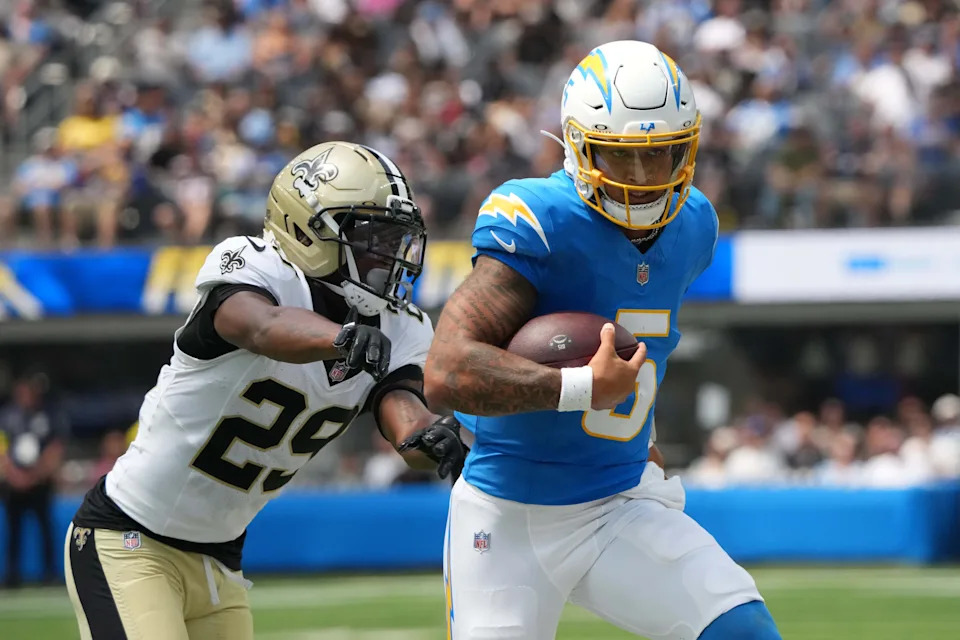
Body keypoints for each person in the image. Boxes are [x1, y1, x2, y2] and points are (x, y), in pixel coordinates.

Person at [414, 41, 781, 640]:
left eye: (658, 156)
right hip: (508, 513)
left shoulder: (694, 226)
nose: (640, 179)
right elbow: (445, 370)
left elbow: (639, 337)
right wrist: (581, 387)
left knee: (743, 631)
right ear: (580, 148)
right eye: (619, 157)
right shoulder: (540, 220)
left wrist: (645, 432)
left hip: (619, 499)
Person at [64, 141, 465, 639]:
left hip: (220, 561)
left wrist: (431, 439)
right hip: (129, 537)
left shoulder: (400, 326)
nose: (388, 252)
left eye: (393, 236)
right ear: (307, 228)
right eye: (371, 235)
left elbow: (402, 413)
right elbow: (261, 325)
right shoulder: (254, 267)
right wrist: (339, 337)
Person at [0, 373, 66, 588]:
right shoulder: (7, 416)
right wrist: (14, 475)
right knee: (14, 530)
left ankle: (50, 573)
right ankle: (12, 575)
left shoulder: (49, 415)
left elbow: (55, 448)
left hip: (41, 482)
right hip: (13, 483)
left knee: (45, 528)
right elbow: (3, 450)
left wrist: (36, 474)